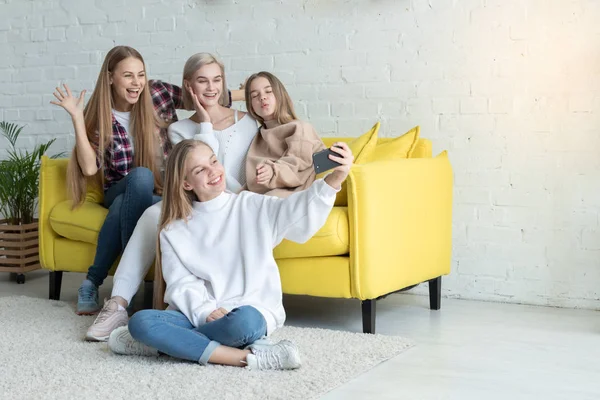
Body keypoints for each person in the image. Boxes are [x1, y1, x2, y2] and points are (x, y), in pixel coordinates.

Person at [107, 138, 354, 370]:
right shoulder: (173, 229)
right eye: (200, 170)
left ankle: (165, 346)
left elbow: (297, 214)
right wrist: (205, 312)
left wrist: (335, 179)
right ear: (186, 184)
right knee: (141, 322)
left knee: (244, 322)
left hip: (247, 313)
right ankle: (248, 358)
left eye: (213, 161)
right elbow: (181, 284)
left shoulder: (252, 205)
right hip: (197, 316)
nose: (213, 171)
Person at [80, 52, 251, 341]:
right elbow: (202, 177)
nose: (210, 88)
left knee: (139, 194)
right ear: (188, 87)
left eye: (216, 81)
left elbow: (219, 177)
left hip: (232, 202)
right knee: (147, 205)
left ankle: (114, 291)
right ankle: (120, 302)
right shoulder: (179, 129)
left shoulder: (248, 121)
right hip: (183, 198)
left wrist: (251, 92)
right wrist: (206, 123)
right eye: (202, 82)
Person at [244, 71, 326, 198]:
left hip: (298, 191)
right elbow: (252, 181)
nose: (262, 97)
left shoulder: (300, 127)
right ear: (251, 105)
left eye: (268, 91)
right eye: (255, 95)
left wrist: (273, 170)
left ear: (279, 94)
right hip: (266, 193)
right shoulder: (258, 136)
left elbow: (297, 162)